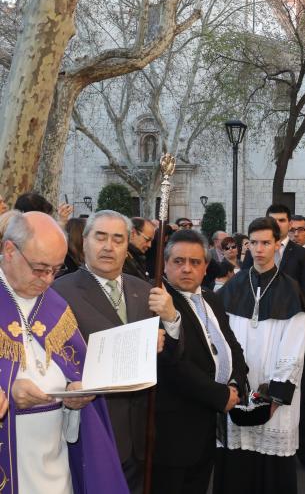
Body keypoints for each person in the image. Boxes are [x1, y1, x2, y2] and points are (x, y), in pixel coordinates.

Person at [0, 211, 128, 493]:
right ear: (9, 250)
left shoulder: (55, 307)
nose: (47, 280)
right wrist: (8, 390)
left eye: (55, 270)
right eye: (39, 268)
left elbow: (74, 372)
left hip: (55, 461)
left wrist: (76, 395)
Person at [53, 210, 176, 493]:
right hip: (93, 429)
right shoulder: (60, 293)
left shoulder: (146, 291)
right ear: (84, 242)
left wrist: (171, 321)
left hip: (141, 434)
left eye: (117, 239)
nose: (108, 246)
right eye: (101, 237)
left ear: (127, 244)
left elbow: (171, 361)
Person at [215, 216, 305, 493]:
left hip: (273, 389)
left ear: (277, 245)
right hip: (238, 385)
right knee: (236, 460)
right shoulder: (233, 285)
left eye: (265, 243)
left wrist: (275, 394)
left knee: (271, 466)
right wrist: (232, 382)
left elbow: (294, 345)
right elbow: (222, 339)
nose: (258, 249)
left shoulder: (290, 288)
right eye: (253, 243)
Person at [152, 229, 248, 494]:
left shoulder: (210, 298)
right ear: (165, 264)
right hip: (174, 433)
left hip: (208, 427)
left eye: (195, 262)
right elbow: (173, 367)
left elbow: (232, 347)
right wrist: (220, 395)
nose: (186, 269)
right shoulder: (158, 303)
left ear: (206, 267)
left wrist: (237, 383)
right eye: (178, 261)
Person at [123, 216, 155, 281]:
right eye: (147, 240)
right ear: (133, 233)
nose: (150, 245)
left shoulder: (137, 255)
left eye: (151, 241)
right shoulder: (122, 257)